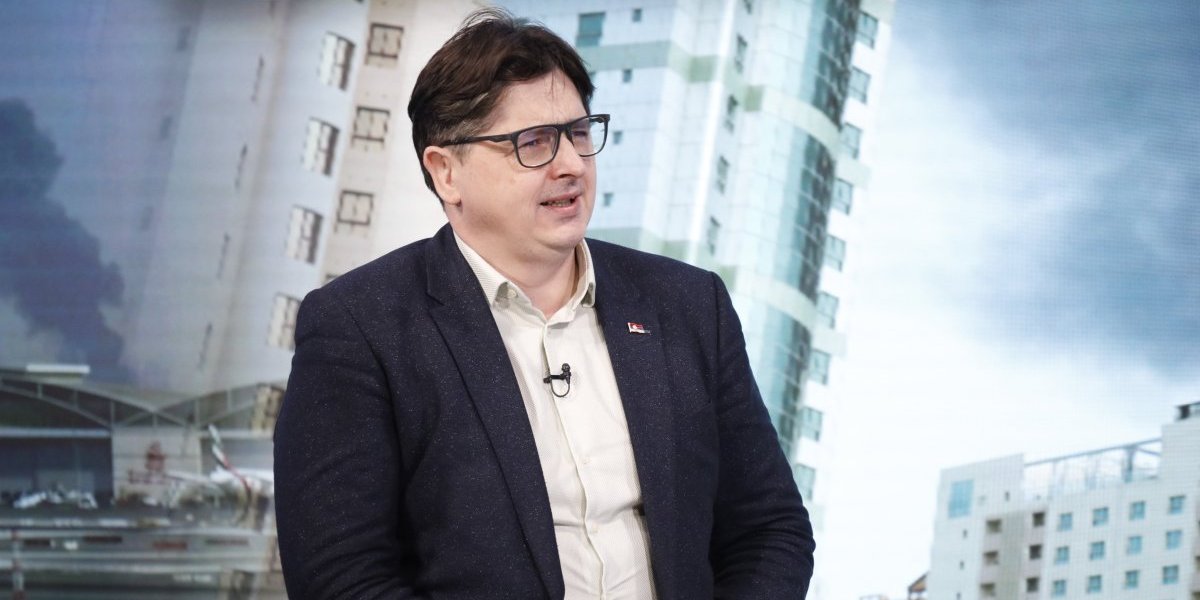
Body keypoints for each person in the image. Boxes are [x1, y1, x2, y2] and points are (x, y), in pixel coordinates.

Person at [274, 8, 815, 599]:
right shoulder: (361, 327)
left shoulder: (688, 305)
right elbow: (340, 578)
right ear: (446, 171)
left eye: (579, 134)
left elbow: (770, 528)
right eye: (532, 143)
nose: (572, 165)